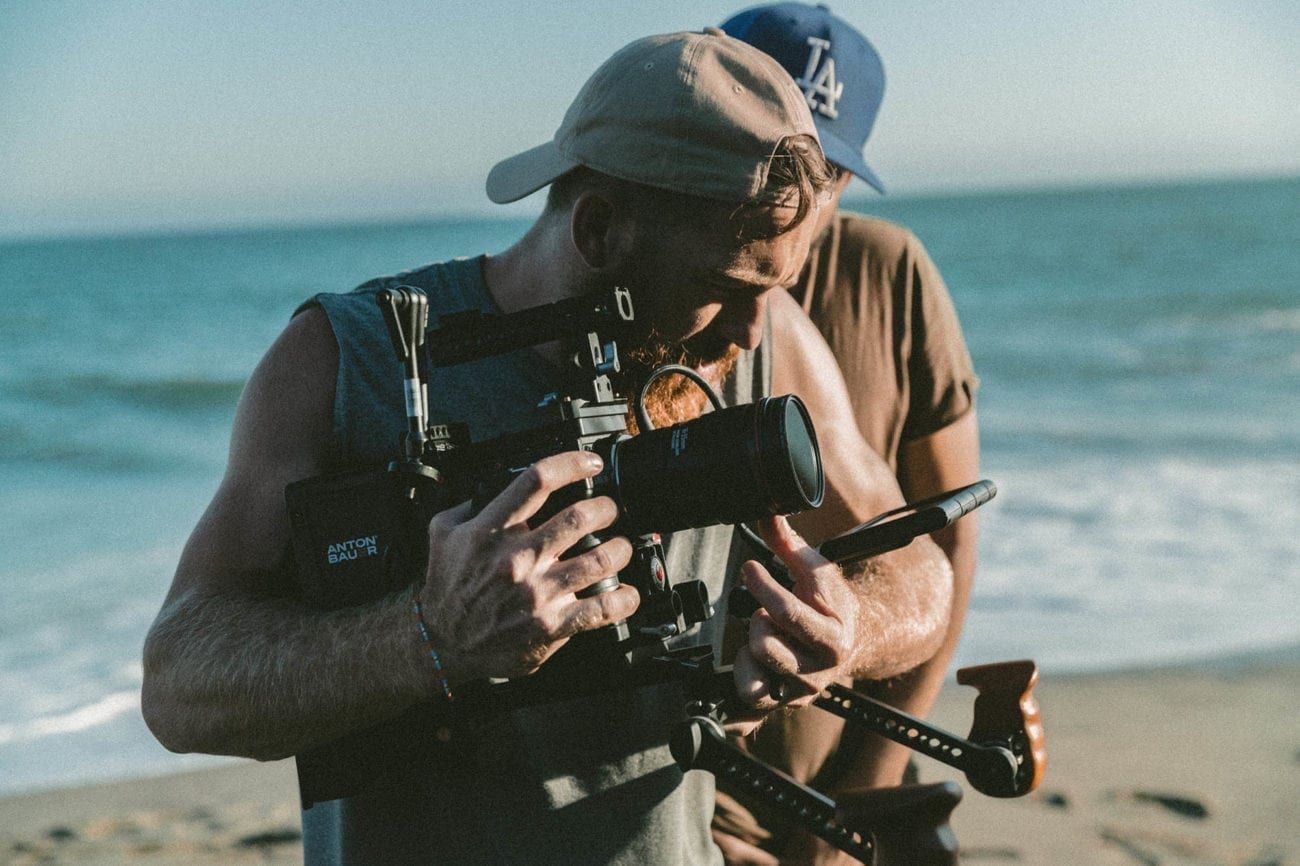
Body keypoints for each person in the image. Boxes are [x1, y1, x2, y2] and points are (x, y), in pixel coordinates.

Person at [140, 29, 954, 866]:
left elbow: (921, 567)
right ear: (599, 231)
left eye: (776, 286)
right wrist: (428, 636)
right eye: (725, 289)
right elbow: (178, 685)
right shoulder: (344, 362)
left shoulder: (768, 334)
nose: (753, 334)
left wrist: (849, 628)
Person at [711, 5, 982, 864]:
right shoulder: (672, 275)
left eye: (821, 168)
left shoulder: (892, 273)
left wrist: (863, 792)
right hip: (694, 772)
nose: (793, 193)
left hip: (850, 757)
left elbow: (949, 544)